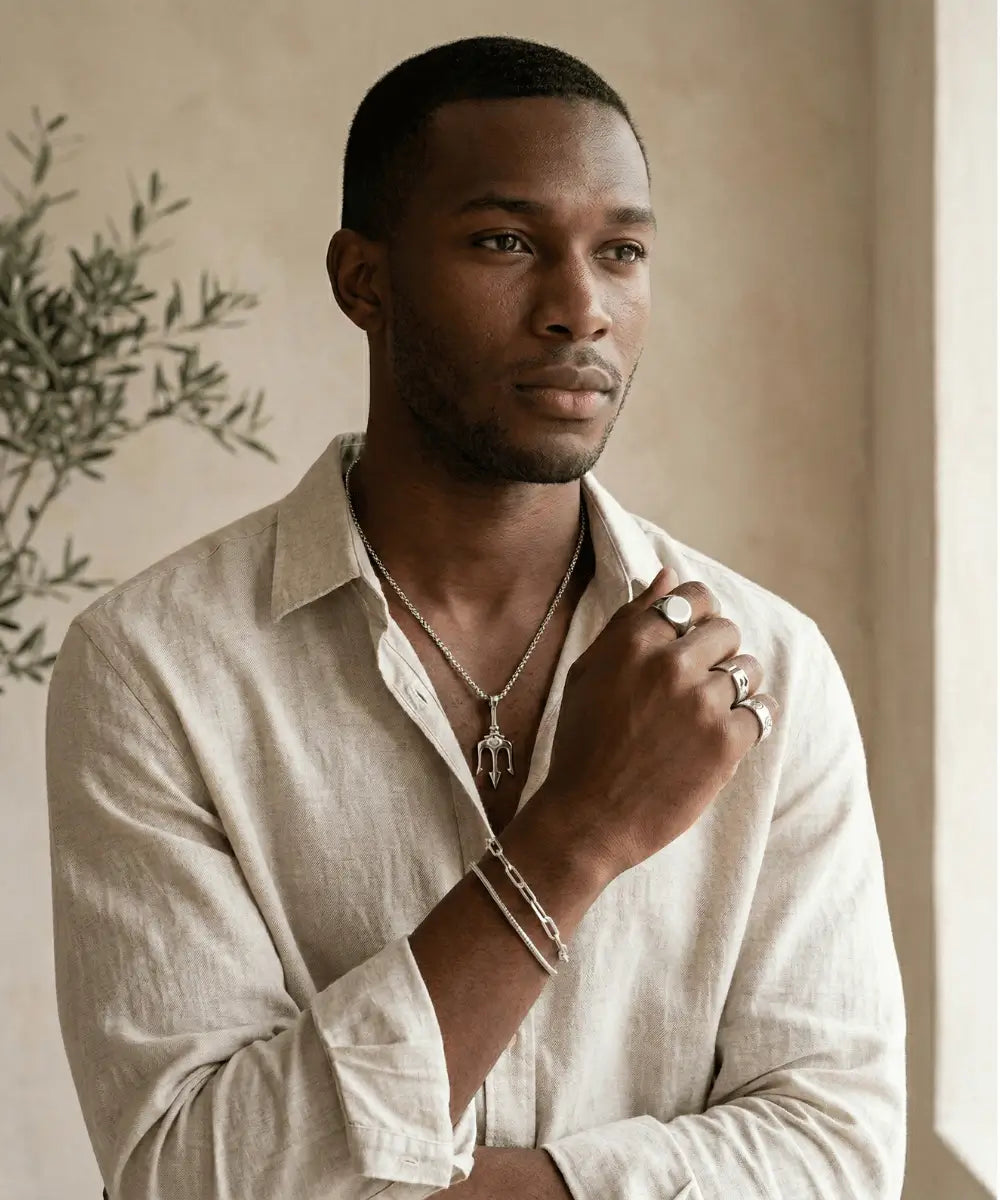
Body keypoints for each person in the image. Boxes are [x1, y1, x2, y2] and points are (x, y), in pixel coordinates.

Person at [47, 33, 906, 1200]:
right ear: (364, 280)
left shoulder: (765, 670)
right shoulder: (156, 669)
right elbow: (185, 1173)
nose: (580, 309)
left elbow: (838, 1156)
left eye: (621, 251)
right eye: (505, 241)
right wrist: (575, 837)